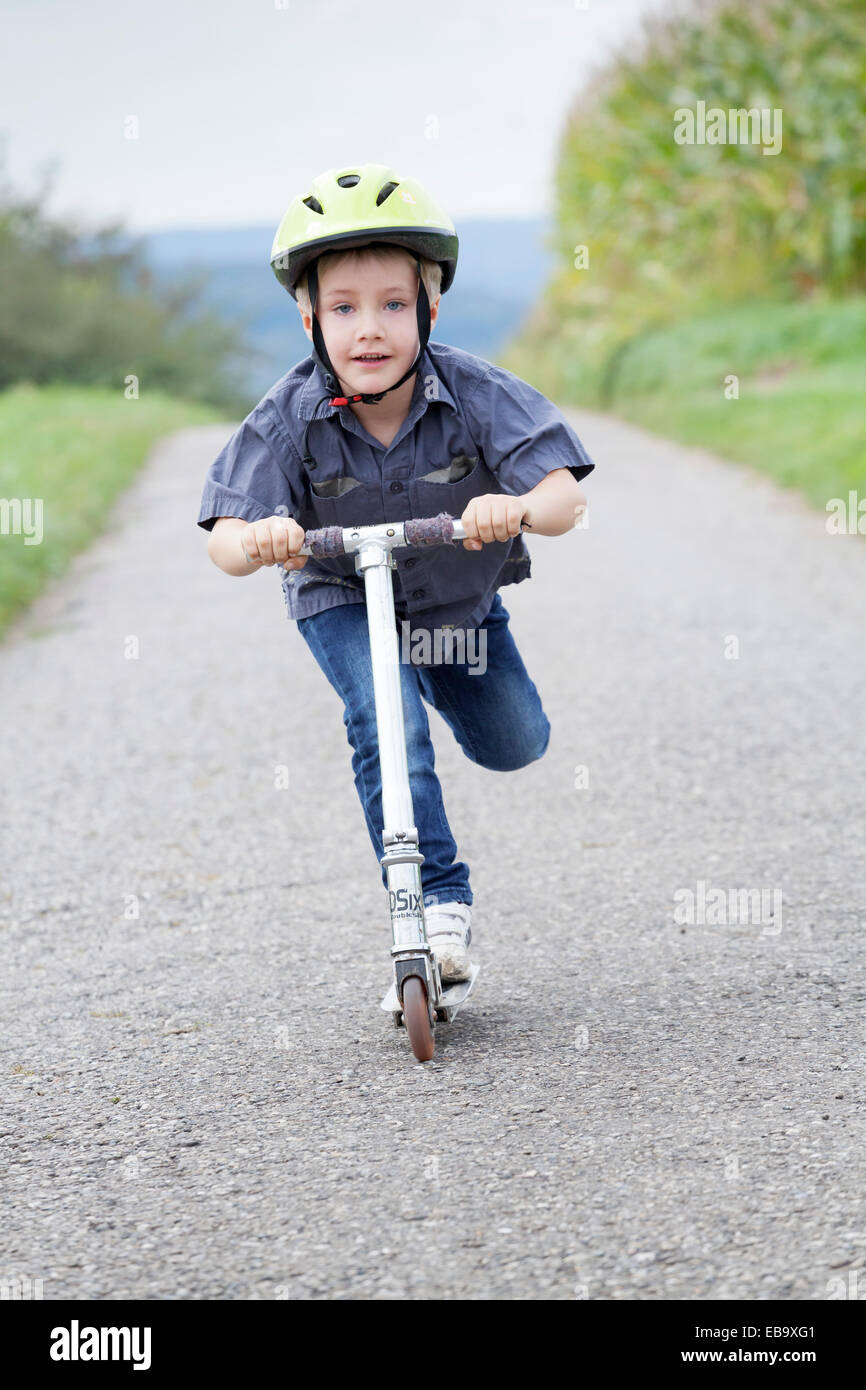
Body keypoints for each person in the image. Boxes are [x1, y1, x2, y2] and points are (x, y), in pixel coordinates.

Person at [197, 162, 595, 984]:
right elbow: (224, 539)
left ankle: (465, 729)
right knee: (386, 722)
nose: (367, 329)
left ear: (430, 310)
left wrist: (515, 509)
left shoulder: (477, 391)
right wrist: (260, 538)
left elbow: (563, 500)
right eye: (343, 309)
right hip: (341, 594)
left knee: (515, 743)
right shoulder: (285, 416)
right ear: (309, 319)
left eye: (391, 306)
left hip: (456, 604)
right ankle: (431, 907)